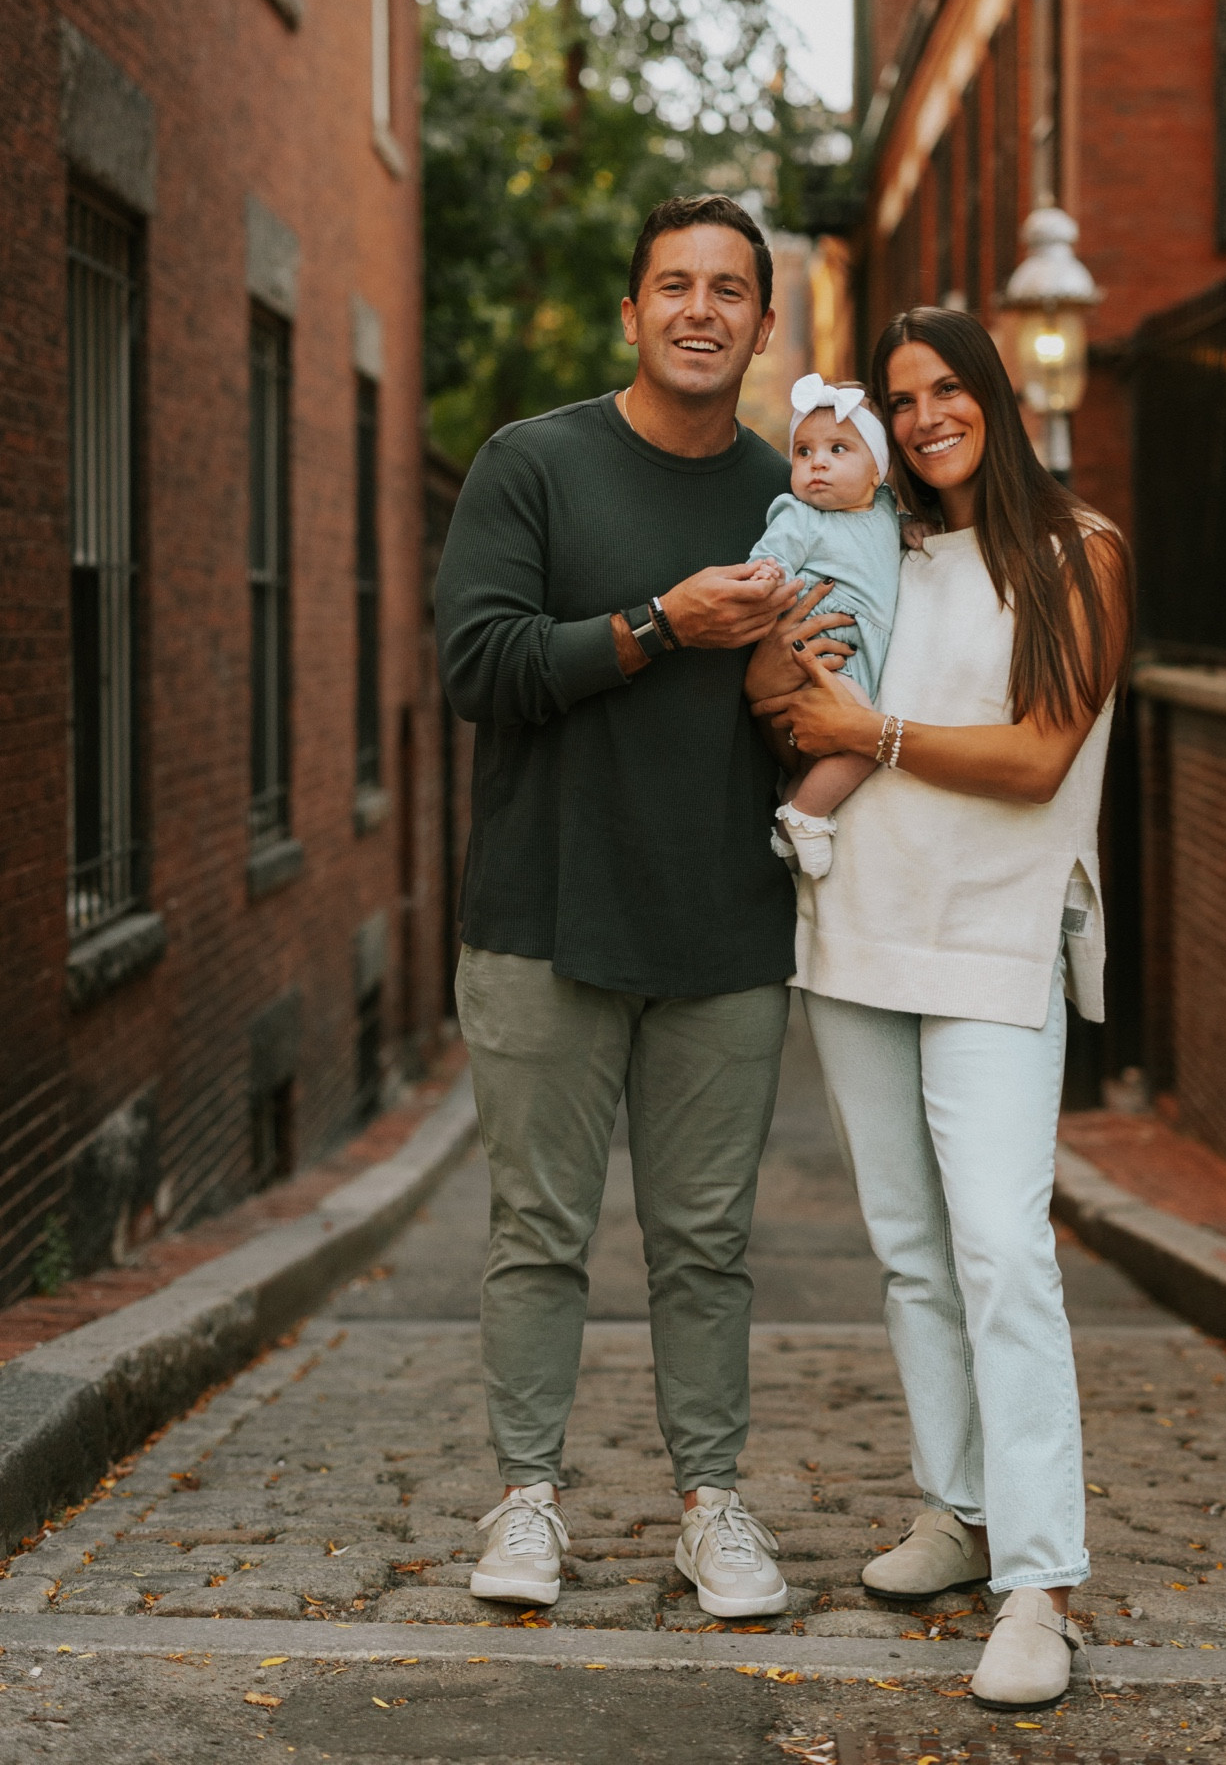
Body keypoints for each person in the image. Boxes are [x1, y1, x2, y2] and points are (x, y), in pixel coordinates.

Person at [434, 193, 853, 1622]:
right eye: (672, 284)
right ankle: (525, 1499)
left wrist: (801, 678)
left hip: (723, 923)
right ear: (630, 313)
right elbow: (478, 666)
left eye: (727, 289)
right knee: (537, 1231)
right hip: (541, 917)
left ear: (762, 323)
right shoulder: (533, 464)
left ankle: (709, 1503)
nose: (698, 310)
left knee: (707, 1245)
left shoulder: (796, 502)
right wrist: (661, 624)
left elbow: (820, 702)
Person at [747, 307, 1132, 1707]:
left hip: (992, 938)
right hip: (856, 927)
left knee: (1000, 1249)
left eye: (944, 388)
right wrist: (786, 680)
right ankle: (957, 1511)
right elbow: (784, 701)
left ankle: (1041, 1583)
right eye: (899, 399)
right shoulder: (874, 543)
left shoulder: (1078, 551)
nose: (922, 418)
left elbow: (1037, 757)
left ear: (991, 393)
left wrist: (873, 732)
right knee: (910, 1249)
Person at [748, 375, 902, 879]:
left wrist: (914, 528)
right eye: (803, 451)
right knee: (867, 740)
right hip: (822, 651)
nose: (817, 462)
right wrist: (768, 573)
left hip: (857, 651)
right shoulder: (800, 517)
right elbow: (772, 554)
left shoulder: (885, 509)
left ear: (877, 470)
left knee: (833, 749)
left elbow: (892, 537)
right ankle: (807, 815)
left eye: (838, 449)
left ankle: (787, 817)